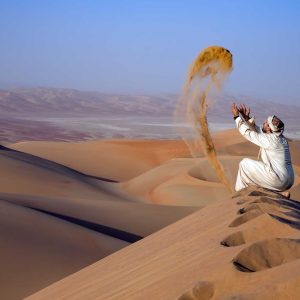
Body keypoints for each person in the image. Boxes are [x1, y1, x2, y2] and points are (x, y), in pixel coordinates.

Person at [231, 103, 294, 197]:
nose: (263, 124)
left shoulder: (270, 140)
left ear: (269, 128)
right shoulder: (280, 138)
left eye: (265, 123)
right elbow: (259, 131)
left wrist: (236, 117)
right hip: (288, 180)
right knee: (260, 174)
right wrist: (247, 118)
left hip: (278, 179)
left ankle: (240, 194)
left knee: (244, 164)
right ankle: (278, 194)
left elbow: (247, 133)